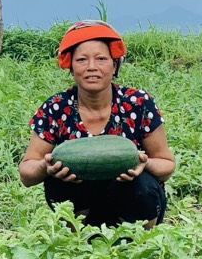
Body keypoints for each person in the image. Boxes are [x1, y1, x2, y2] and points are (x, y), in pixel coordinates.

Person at [18, 21, 175, 228]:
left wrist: (144, 164)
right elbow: (26, 174)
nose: (92, 67)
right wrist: (45, 167)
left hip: (133, 207)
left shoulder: (138, 103)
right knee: (58, 181)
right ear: (71, 67)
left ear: (114, 65)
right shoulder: (56, 107)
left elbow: (167, 164)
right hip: (84, 211)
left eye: (101, 59)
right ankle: (80, 242)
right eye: (82, 60)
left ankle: (142, 243)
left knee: (141, 184)